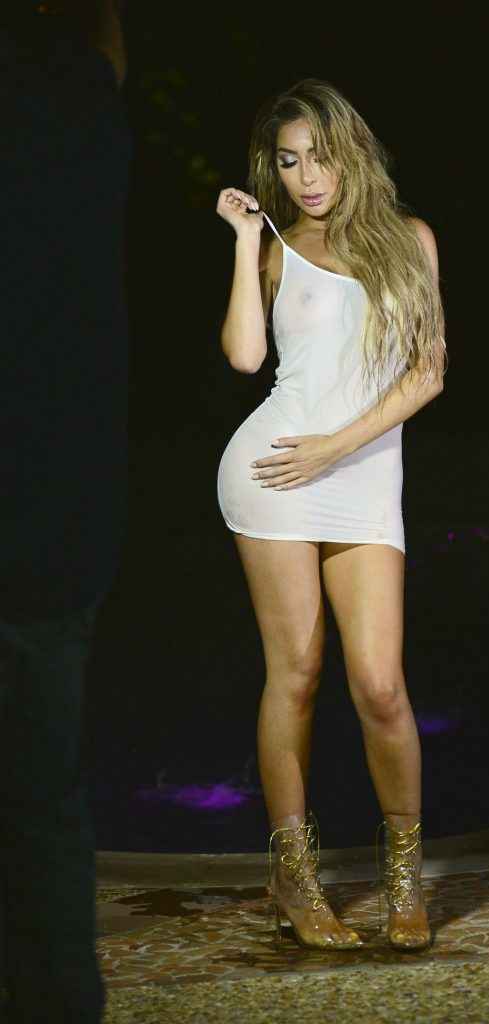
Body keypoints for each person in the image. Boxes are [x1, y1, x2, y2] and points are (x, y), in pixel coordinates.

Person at [215, 78, 447, 950]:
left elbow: (427, 373)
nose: (307, 177)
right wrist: (246, 242)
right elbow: (246, 358)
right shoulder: (278, 245)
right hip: (273, 470)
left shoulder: (410, 240)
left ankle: (404, 882)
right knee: (298, 671)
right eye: (288, 161)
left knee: (380, 685)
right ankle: (295, 878)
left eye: (320, 156)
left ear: (352, 151)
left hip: (358, 473)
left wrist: (337, 447)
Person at [0, 2, 129, 1021]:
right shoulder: (89, 110)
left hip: (47, 518)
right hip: (58, 516)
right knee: (44, 797)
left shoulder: (77, 103)